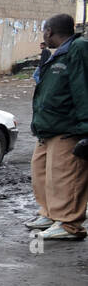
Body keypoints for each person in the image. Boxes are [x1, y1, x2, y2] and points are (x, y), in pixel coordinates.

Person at [27, 13, 88, 240]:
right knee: (42, 174)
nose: (44, 35)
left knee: (66, 176)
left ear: (49, 31)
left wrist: (85, 128)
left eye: (44, 31)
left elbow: (83, 88)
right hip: (48, 128)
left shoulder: (78, 49)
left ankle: (70, 224)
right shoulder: (56, 55)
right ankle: (50, 214)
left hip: (68, 128)